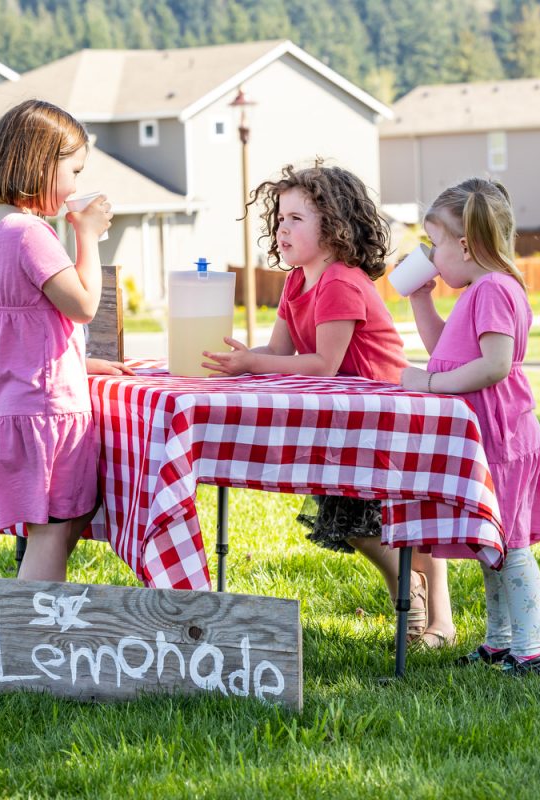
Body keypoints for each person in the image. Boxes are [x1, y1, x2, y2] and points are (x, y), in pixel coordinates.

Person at [203, 161, 455, 648]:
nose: (282, 227)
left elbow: (322, 363)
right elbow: (279, 354)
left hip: (385, 417)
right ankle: (414, 595)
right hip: (344, 420)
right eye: (279, 218)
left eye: (296, 218)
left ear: (335, 226)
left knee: (397, 522)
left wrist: (252, 364)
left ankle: (434, 614)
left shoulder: (340, 280)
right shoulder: (298, 282)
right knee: (353, 523)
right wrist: (244, 357)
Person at [0, 99, 131, 583]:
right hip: (46, 409)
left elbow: (20, 324)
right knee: (53, 528)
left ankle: (22, 632)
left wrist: (78, 364)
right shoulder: (30, 233)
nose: (75, 183)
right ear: (41, 164)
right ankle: (32, 642)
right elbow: (84, 304)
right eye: (73, 169)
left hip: (12, 400)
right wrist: (87, 236)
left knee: (53, 526)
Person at [400, 177, 540, 675]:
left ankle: (530, 651)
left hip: (503, 440)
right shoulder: (478, 289)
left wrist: (427, 386)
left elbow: (495, 365)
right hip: (489, 440)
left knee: (509, 548)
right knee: (493, 547)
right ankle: (500, 642)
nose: (431, 254)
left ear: (465, 245)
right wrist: (421, 300)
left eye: (436, 243)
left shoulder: (491, 289)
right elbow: (447, 349)